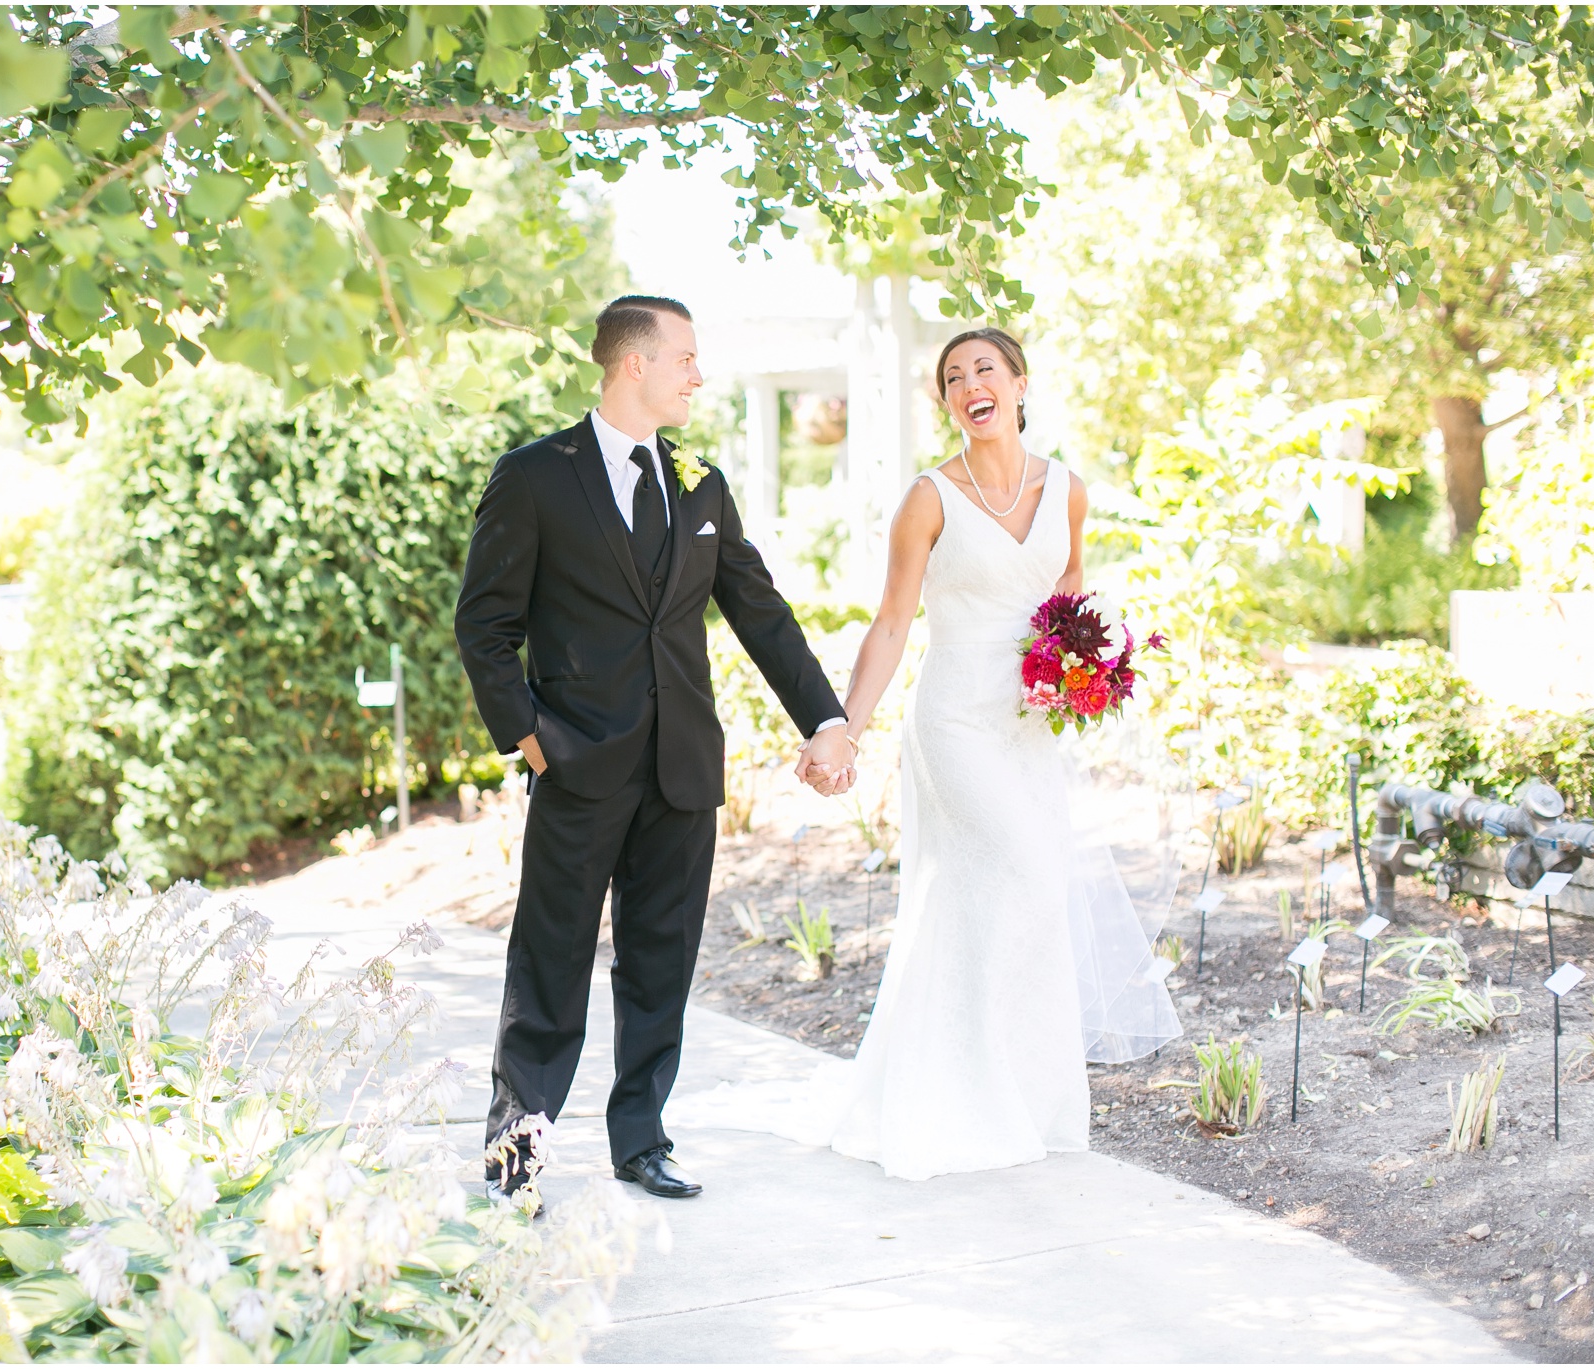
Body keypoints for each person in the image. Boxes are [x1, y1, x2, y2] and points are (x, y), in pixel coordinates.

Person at [454, 295, 854, 1204]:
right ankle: (515, 1152)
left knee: (661, 961)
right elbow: (484, 624)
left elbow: (757, 608)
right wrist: (530, 735)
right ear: (633, 363)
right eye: (685, 359)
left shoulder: (700, 479)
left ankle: (642, 1137)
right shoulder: (535, 475)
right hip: (577, 763)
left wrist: (822, 716)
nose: (697, 376)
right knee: (549, 962)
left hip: (682, 765)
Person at [784, 326, 1181, 1181]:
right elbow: (892, 621)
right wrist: (846, 725)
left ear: (1020, 384)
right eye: (955, 376)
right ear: (948, 402)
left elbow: (1069, 592)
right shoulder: (928, 499)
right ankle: (965, 1092)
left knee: (1003, 898)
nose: (972, 384)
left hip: (1029, 724)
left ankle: (1012, 1093)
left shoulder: (1068, 489)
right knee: (1026, 869)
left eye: (986, 369)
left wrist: (1081, 669)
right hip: (956, 719)